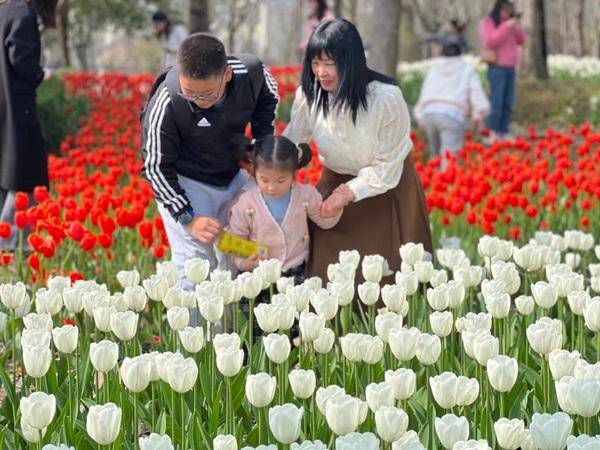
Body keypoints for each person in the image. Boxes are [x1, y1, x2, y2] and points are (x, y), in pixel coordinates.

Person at [284, 18, 432, 285]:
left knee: (386, 278)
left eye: (330, 63)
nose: (321, 72)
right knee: (328, 274)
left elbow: (388, 164)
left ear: (350, 60)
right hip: (334, 185)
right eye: (315, 63)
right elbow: (293, 140)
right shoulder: (310, 95)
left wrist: (349, 193)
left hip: (387, 188)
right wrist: (267, 162)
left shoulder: (385, 98)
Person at [140, 33, 279, 291]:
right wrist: (188, 218)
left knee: (243, 256)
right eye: (189, 92)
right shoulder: (168, 100)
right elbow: (154, 166)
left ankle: (231, 329)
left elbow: (268, 97)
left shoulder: (252, 73)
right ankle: (194, 330)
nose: (198, 102)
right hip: (185, 184)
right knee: (196, 268)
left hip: (231, 176)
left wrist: (261, 146)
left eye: (206, 95)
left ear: (226, 75)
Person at [228, 135, 342, 275]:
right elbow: (234, 239)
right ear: (254, 172)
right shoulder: (245, 203)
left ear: (294, 173)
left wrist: (331, 211)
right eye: (264, 180)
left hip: (295, 270)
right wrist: (243, 263)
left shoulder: (306, 195)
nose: (272, 187)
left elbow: (324, 221)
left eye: (281, 181)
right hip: (258, 273)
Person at [0, 0, 55, 251]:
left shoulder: (3, 10)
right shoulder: (23, 13)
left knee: (6, 171)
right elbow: (22, 60)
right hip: (16, 107)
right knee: (22, 173)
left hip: (3, 103)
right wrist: (42, 73)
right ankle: (14, 244)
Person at [414, 40, 490, 168]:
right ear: (460, 54)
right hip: (452, 116)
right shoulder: (465, 69)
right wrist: (478, 113)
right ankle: (446, 186)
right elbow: (475, 91)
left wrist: (420, 115)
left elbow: (426, 91)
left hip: (429, 114)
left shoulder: (434, 68)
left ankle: (433, 184)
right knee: (450, 159)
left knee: (436, 156)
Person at [479, 0, 526, 141]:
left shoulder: (511, 24)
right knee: (497, 100)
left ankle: (503, 130)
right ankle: (492, 131)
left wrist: (516, 27)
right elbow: (490, 41)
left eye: (509, 10)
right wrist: (506, 27)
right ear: (498, 9)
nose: (506, 13)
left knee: (508, 101)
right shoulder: (489, 22)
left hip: (510, 67)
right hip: (496, 66)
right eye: (504, 9)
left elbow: (521, 40)